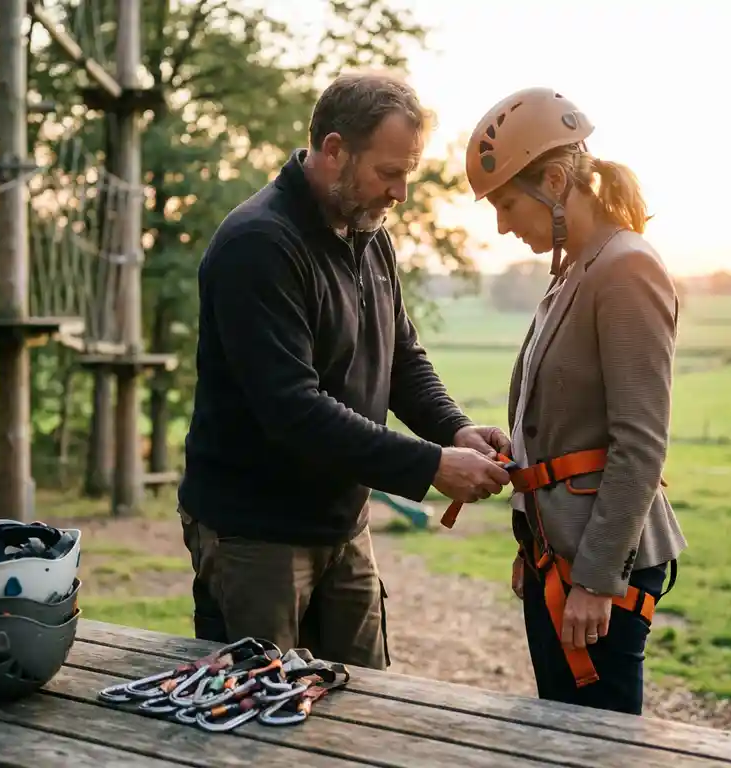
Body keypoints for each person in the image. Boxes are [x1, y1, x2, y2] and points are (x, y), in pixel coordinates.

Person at [177, 71, 513, 670]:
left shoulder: (367, 234)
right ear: (334, 151)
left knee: (365, 709)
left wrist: (453, 430)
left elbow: (401, 358)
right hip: (255, 536)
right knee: (258, 719)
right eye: (389, 172)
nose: (401, 193)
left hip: (343, 527)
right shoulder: (258, 245)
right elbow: (293, 409)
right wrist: (432, 465)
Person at [462, 87, 687, 715]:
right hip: (554, 555)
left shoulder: (626, 268)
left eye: (507, 203)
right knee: (557, 736)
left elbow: (639, 442)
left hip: (598, 571)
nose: (503, 224)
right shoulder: (576, 270)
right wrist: (532, 537)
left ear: (557, 180)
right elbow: (563, 421)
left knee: (598, 747)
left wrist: (593, 579)